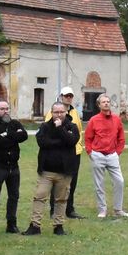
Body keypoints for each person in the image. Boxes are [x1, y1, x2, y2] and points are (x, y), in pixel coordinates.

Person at [24, 102, 80, 236]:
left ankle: (58, 226)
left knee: (61, 199)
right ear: (52, 112)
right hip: (46, 171)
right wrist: (61, 142)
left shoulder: (72, 126)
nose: (59, 115)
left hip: (64, 172)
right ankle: (35, 225)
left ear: (66, 112)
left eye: (61, 112)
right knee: (39, 196)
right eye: (56, 112)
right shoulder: (45, 126)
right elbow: (42, 142)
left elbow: (72, 141)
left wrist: (60, 130)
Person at [0, 99, 28, 234]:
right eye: (2, 109)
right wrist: (13, 137)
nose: (5, 111)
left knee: (14, 196)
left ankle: (11, 224)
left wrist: (7, 135)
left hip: (13, 166)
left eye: (7, 108)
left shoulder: (14, 123)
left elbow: (24, 136)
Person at [85, 94, 128, 219]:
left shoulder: (116, 119)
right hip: (97, 154)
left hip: (112, 155)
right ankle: (102, 209)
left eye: (108, 101)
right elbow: (88, 138)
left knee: (119, 181)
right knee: (99, 184)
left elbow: (121, 137)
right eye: (103, 102)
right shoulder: (93, 120)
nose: (106, 103)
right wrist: (90, 152)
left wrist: (118, 152)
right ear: (99, 105)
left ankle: (118, 209)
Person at [50, 87, 84, 219]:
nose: (68, 98)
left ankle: (70, 209)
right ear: (61, 96)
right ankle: (54, 210)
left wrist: (78, 145)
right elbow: (51, 130)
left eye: (71, 96)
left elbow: (78, 131)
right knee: (57, 181)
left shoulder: (74, 112)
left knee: (72, 182)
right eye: (66, 96)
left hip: (74, 152)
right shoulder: (53, 111)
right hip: (60, 152)